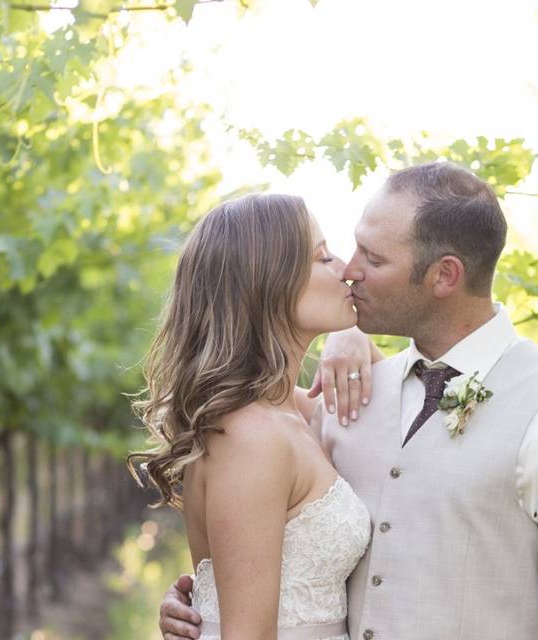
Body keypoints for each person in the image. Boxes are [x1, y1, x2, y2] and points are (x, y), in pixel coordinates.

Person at [159, 162, 538, 640]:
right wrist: (205, 608)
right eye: (332, 254)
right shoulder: (342, 405)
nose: (349, 270)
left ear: (444, 276)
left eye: (373, 257)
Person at [129, 193, 373, 640]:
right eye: (323, 258)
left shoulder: (293, 411)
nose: (346, 269)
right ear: (270, 284)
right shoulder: (251, 435)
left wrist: (354, 337)